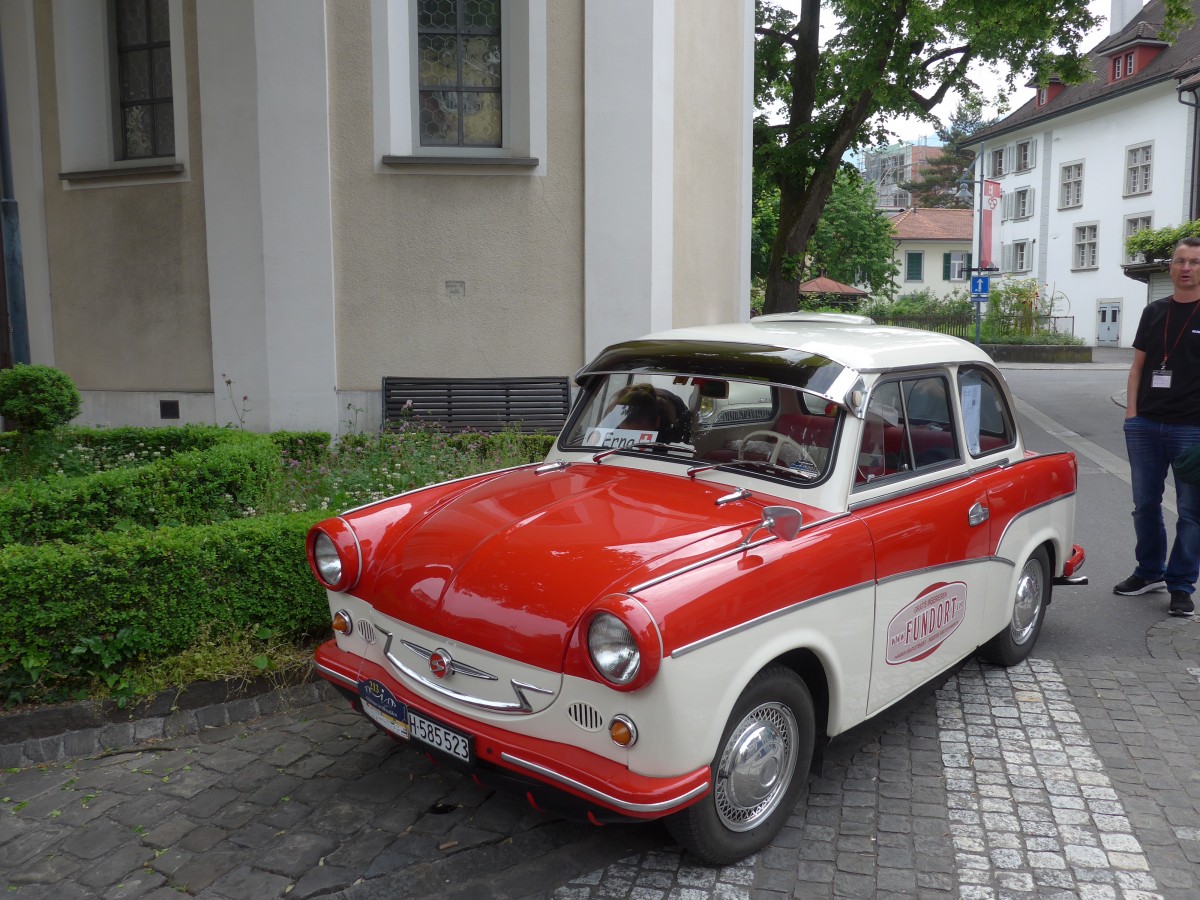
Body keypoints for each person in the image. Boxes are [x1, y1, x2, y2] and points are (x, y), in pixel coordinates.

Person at [1114, 236, 1200, 616]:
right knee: (1144, 505)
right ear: (1170, 267)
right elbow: (1137, 368)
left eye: (1194, 262)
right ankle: (1150, 571)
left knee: (1192, 512)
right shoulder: (1154, 312)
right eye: (1180, 261)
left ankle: (1181, 585)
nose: (1186, 268)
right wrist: (1132, 415)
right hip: (1146, 425)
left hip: (1192, 430)